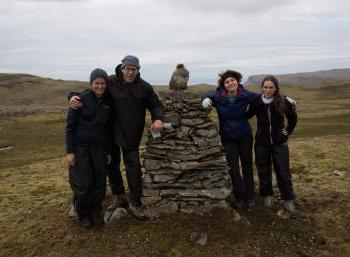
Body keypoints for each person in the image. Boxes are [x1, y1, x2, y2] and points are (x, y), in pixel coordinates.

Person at [70, 55, 164, 220]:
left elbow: (156, 105)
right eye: (127, 69)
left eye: (133, 69)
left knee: (132, 167)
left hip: (132, 134)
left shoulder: (144, 88)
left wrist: (158, 118)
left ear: (138, 70)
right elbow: (91, 92)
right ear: (122, 69)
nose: (130, 72)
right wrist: (71, 96)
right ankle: (119, 196)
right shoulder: (111, 82)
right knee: (112, 166)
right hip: (110, 134)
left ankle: (135, 201)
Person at [201, 70, 259, 208]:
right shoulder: (218, 96)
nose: (230, 83)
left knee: (247, 167)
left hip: (245, 136)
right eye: (227, 82)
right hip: (228, 138)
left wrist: (285, 98)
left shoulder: (246, 94)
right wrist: (205, 99)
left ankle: (250, 196)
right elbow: (205, 95)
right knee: (233, 168)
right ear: (224, 85)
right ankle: (239, 197)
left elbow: (264, 97)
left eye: (232, 80)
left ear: (237, 81)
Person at [65, 68, 112, 228]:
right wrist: (70, 152)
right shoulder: (80, 100)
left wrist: (108, 152)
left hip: (100, 149)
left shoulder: (108, 101)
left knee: (99, 183)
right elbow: (70, 127)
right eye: (96, 83)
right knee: (83, 184)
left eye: (103, 83)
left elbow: (108, 129)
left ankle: (96, 212)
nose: (100, 86)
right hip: (81, 148)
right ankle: (83, 215)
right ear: (91, 83)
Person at [247, 75, 297, 212]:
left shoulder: (283, 101)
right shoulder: (256, 101)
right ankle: (267, 194)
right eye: (265, 87)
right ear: (262, 88)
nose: (268, 90)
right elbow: (246, 115)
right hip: (261, 142)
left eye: (271, 87)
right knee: (263, 170)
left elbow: (292, 117)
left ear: (275, 89)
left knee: (283, 171)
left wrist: (288, 130)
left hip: (279, 142)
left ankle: (288, 198)